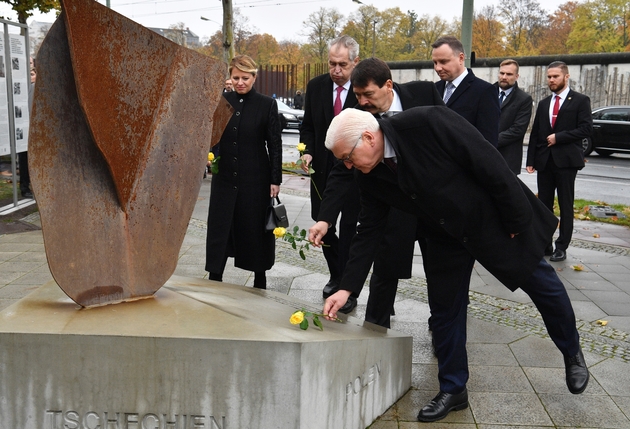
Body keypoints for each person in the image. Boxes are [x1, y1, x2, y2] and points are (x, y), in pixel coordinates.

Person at [316, 107, 589, 422]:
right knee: (446, 311)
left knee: (543, 286)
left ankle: (572, 353)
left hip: (493, 220)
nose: (348, 165)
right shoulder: (368, 175)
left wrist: (515, 217)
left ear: (367, 137)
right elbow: (369, 230)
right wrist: (347, 288)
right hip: (444, 234)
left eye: (348, 157)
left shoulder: (428, 123)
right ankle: (453, 388)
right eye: (343, 162)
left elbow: (487, 161)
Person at [309, 57, 443, 327]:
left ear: (388, 85)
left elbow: (444, 140)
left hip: (434, 206)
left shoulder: (424, 93)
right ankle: (375, 333)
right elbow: (342, 169)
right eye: (358, 95)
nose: (363, 101)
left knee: (441, 276)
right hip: (391, 206)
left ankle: (441, 327)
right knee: (383, 274)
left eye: (368, 94)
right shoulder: (358, 116)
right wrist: (326, 218)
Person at [205, 55, 282, 289]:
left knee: (254, 227)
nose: (240, 82)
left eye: (245, 78)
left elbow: (274, 144)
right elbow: (213, 136)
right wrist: (210, 156)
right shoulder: (222, 101)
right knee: (221, 226)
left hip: (255, 178)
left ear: (254, 77)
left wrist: (275, 179)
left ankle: (260, 277)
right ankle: (215, 274)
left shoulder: (266, 104)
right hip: (225, 177)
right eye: (236, 77)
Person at [299, 35, 360, 311]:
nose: (336, 70)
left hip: (354, 173)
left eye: (342, 65)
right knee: (323, 226)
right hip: (322, 171)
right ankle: (336, 273)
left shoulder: (362, 89)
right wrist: (307, 150)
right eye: (332, 64)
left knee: (349, 229)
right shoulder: (316, 87)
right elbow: (308, 125)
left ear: (354, 62)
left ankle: (349, 287)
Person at [526, 61, 592, 262]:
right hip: (544, 161)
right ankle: (545, 244)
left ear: (566, 76)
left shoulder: (580, 100)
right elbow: (536, 133)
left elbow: (585, 129)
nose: (551, 80)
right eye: (549, 77)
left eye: (555, 76)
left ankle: (561, 246)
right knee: (543, 206)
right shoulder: (545, 103)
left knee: (565, 204)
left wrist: (559, 137)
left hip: (566, 162)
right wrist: (530, 160)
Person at [431, 36, 500, 147]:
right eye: (435, 62)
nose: (438, 68)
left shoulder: (484, 91)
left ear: (461, 58)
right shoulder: (434, 89)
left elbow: (488, 142)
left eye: (443, 61)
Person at [494, 59, 533, 175]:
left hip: (508, 158)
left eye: (509, 74)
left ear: (516, 76)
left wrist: (491, 139)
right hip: (484, 154)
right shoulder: (486, 92)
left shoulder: (524, 99)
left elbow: (518, 129)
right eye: (502, 73)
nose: (504, 77)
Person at [19, 58, 36, 199]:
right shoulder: (19, 86)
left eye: (32, 72)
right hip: (23, 128)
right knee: (24, 158)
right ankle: (25, 187)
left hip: (35, 129)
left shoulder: (39, 87)